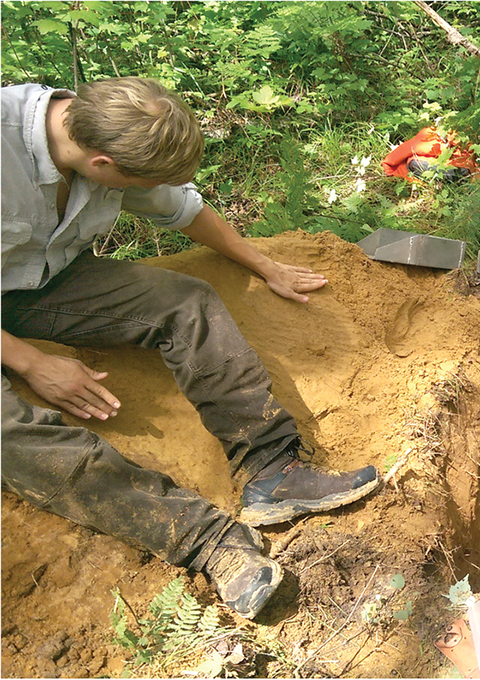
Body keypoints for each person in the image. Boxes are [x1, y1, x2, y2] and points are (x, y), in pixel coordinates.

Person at [1, 78, 381, 620]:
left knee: (185, 302)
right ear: (103, 162)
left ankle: (273, 470)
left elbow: (179, 207)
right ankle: (209, 544)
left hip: (36, 284)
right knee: (9, 434)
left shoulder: (107, 138)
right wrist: (31, 362)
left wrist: (264, 264)